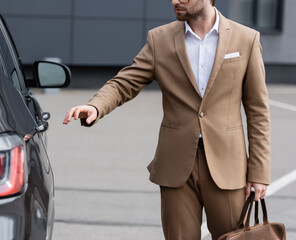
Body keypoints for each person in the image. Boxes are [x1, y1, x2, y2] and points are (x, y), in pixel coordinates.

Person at [63, 0, 271, 239]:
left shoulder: (246, 39)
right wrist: (95, 106)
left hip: (228, 167)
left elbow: (258, 112)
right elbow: (125, 82)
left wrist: (259, 172)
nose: (174, 1)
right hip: (176, 166)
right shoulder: (159, 39)